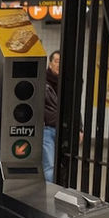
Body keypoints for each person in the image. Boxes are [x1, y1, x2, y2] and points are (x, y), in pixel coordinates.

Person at [43, 49, 60, 182]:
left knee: (63, 166)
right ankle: (49, 194)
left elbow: (74, 107)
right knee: (50, 166)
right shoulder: (42, 80)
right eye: (56, 61)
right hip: (47, 129)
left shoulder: (67, 82)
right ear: (50, 63)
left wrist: (80, 127)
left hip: (63, 130)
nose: (59, 64)